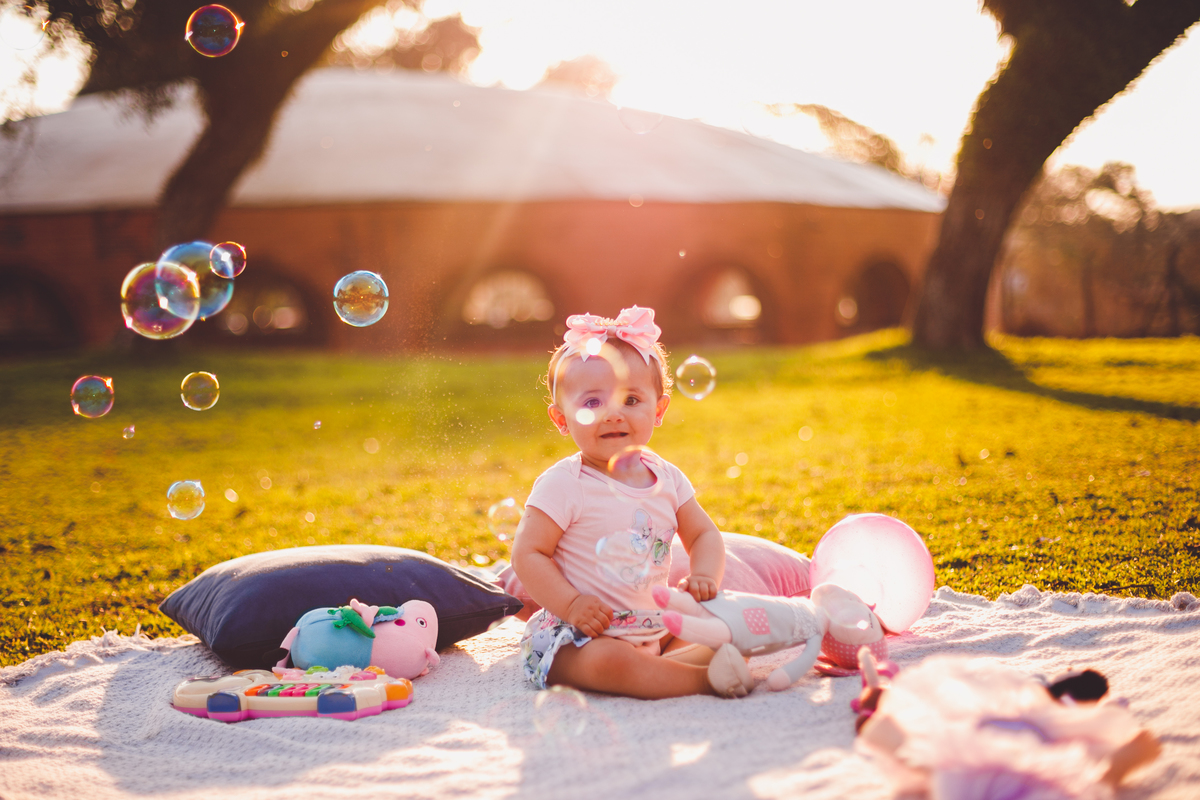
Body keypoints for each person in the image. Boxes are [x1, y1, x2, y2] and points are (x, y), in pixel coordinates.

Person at [511, 306, 754, 699]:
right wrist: (572, 605)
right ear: (561, 419)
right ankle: (699, 681)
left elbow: (704, 534)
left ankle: (670, 667)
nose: (613, 414)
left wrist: (705, 576)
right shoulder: (564, 483)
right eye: (592, 403)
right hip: (580, 635)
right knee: (610, 662)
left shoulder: (667, 477)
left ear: (658, 410)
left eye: (631, 399)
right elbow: (528, 553)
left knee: (725, 630)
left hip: (653, 625)